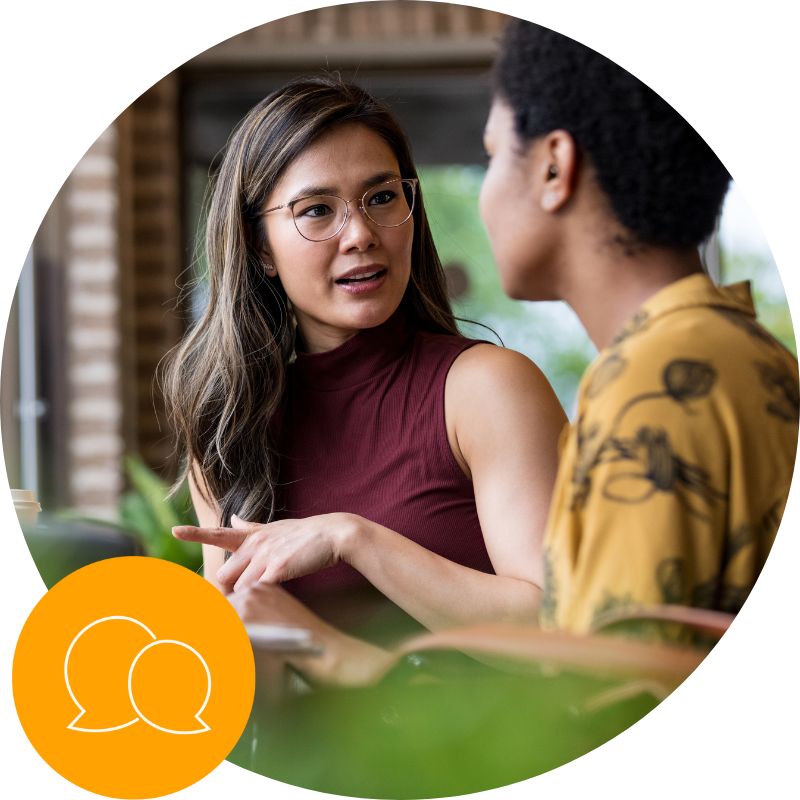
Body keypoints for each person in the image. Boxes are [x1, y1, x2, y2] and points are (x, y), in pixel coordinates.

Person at [166, 74, 568, 683]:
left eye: (381, 198)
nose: (360, 235)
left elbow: (561, 633)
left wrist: (353, 538)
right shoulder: (228, 425)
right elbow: (252, 670)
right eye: (317, 210)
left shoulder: (485, 388)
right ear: (260, 248)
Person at [479, 19, 800, 641]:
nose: (488, 189)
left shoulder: (659, 383)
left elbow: (614, 708)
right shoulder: (734, 350)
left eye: (492, 155)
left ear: (553, 167)